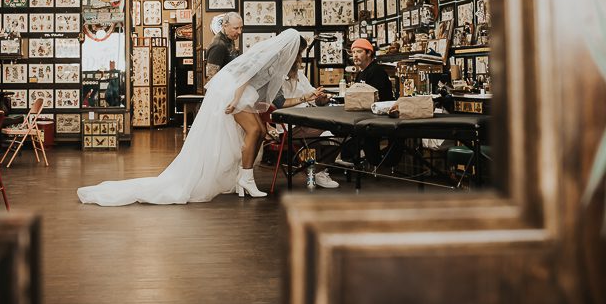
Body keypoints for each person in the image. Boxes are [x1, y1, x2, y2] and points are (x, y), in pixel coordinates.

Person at [78, 29, 304, 206]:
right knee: (255, 131)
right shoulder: (271, 55)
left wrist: (254, 101)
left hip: (243, 93)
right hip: (234, 91)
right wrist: (235, 99)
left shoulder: (275, 56)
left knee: (261, 132)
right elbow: (246, 74)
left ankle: (242, 178)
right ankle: (245, 179)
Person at [276, 53, 340, 189]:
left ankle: (318, 171)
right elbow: (279, 104)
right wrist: (304, 98)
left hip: (307, 119)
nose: (299, 61)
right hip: (290, 125)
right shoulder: (277, 78)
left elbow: (313, 96)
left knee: (338, 135)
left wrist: (320, 98)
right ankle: (315, 173)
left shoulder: (300, 75)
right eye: (296, 57)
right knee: (316, 138)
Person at [336, 38, 395, 169]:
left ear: (369, 53)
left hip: (380, 117)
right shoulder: (361, 74)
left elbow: (373, 99)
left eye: (359, 52)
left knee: (358, 134)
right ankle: (355, 158)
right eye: (353, 52)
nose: (355, 55)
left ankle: (363, 159)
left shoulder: (376, 71)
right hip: (366, 115)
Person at [204, 12, 242, 83]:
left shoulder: (229, 38)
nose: (239, 31)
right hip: (221, 90)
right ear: (225, 26)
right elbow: (211, 78)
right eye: (236, 28)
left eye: (241, 28)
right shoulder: (218, 45)